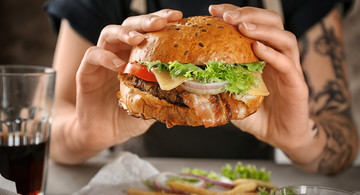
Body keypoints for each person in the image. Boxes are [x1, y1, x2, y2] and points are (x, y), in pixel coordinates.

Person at [44, 0, 358, 175]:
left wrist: (302, 139)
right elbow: (50, 127)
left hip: (252, 189)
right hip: (129, 186)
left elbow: (342, 136)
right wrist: (82, 133)